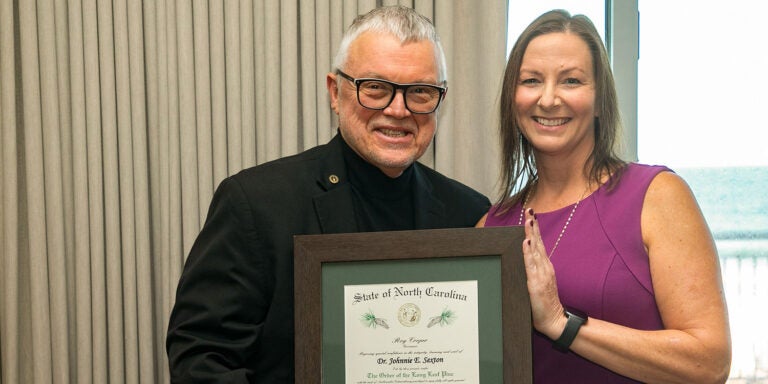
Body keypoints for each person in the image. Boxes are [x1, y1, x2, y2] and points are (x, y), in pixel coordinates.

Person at [166, 5, 491, 383]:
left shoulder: (470, 214)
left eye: (420, 92)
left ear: (439, 100)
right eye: (376, 88)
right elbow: (200, 359)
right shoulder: (255, 203)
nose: (398, 109)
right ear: (336, 92)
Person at [476, 9, 731, 383]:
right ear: (512, 100)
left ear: (600, 101)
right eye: (531, 80)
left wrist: (562, 324)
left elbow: (709, 364)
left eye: (571, 81)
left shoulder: (655, 196)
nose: (548, 99)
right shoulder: (490, 226)